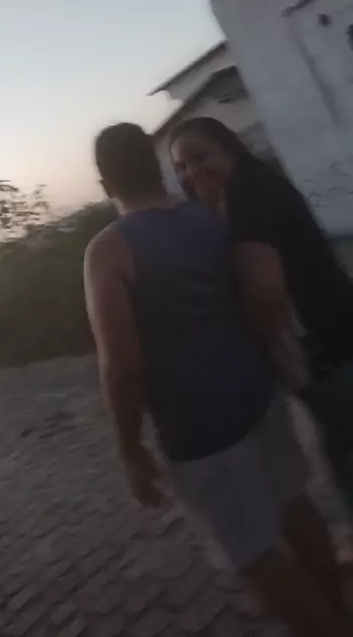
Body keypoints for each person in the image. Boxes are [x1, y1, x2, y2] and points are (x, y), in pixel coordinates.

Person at [84, 122, 352, 637]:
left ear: (104, 184)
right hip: (259, 396)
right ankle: (339, 613)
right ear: (157, 166)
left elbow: (121, 366)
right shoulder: (209, 215)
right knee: (295, 507)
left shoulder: (108, 252)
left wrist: (129, 448)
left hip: (200, 431)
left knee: (256, 555)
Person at [169, 116, 353, 507]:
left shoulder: (247, 193)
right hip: (331, 334)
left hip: (324, 345)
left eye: (200, 157)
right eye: (181, 167)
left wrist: (253, 352)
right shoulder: (248, 188)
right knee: (338, 440)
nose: (192, 172)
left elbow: (266, 292)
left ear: (228, 148)